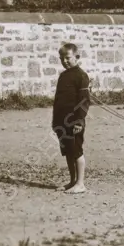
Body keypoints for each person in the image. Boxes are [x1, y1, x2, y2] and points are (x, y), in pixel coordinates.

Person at [53, 43, 91, 194]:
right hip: (62, 121)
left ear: (77, 57)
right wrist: (55, 122)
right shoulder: (63, 76)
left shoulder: (81, 76)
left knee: (76, 150)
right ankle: (72, 181)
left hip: (74, 121)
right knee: (68, 151)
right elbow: (58, 101)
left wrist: (79, 120)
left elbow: (84, 101)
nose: (65, 61)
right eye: (61, 58)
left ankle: (81, 184)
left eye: (68, 57)